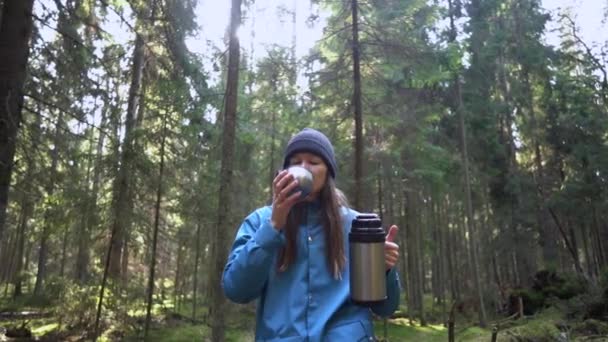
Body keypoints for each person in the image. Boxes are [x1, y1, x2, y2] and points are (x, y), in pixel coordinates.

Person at [222, 128, 401, 341]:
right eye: (295, 162)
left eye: (314, 162)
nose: (303, 168)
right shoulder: (260, 222)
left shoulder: (356, 225)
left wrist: (384, 271)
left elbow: (385, 309)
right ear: (284, 172)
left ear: (328, 173)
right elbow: (236, 290)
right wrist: (273, 227)